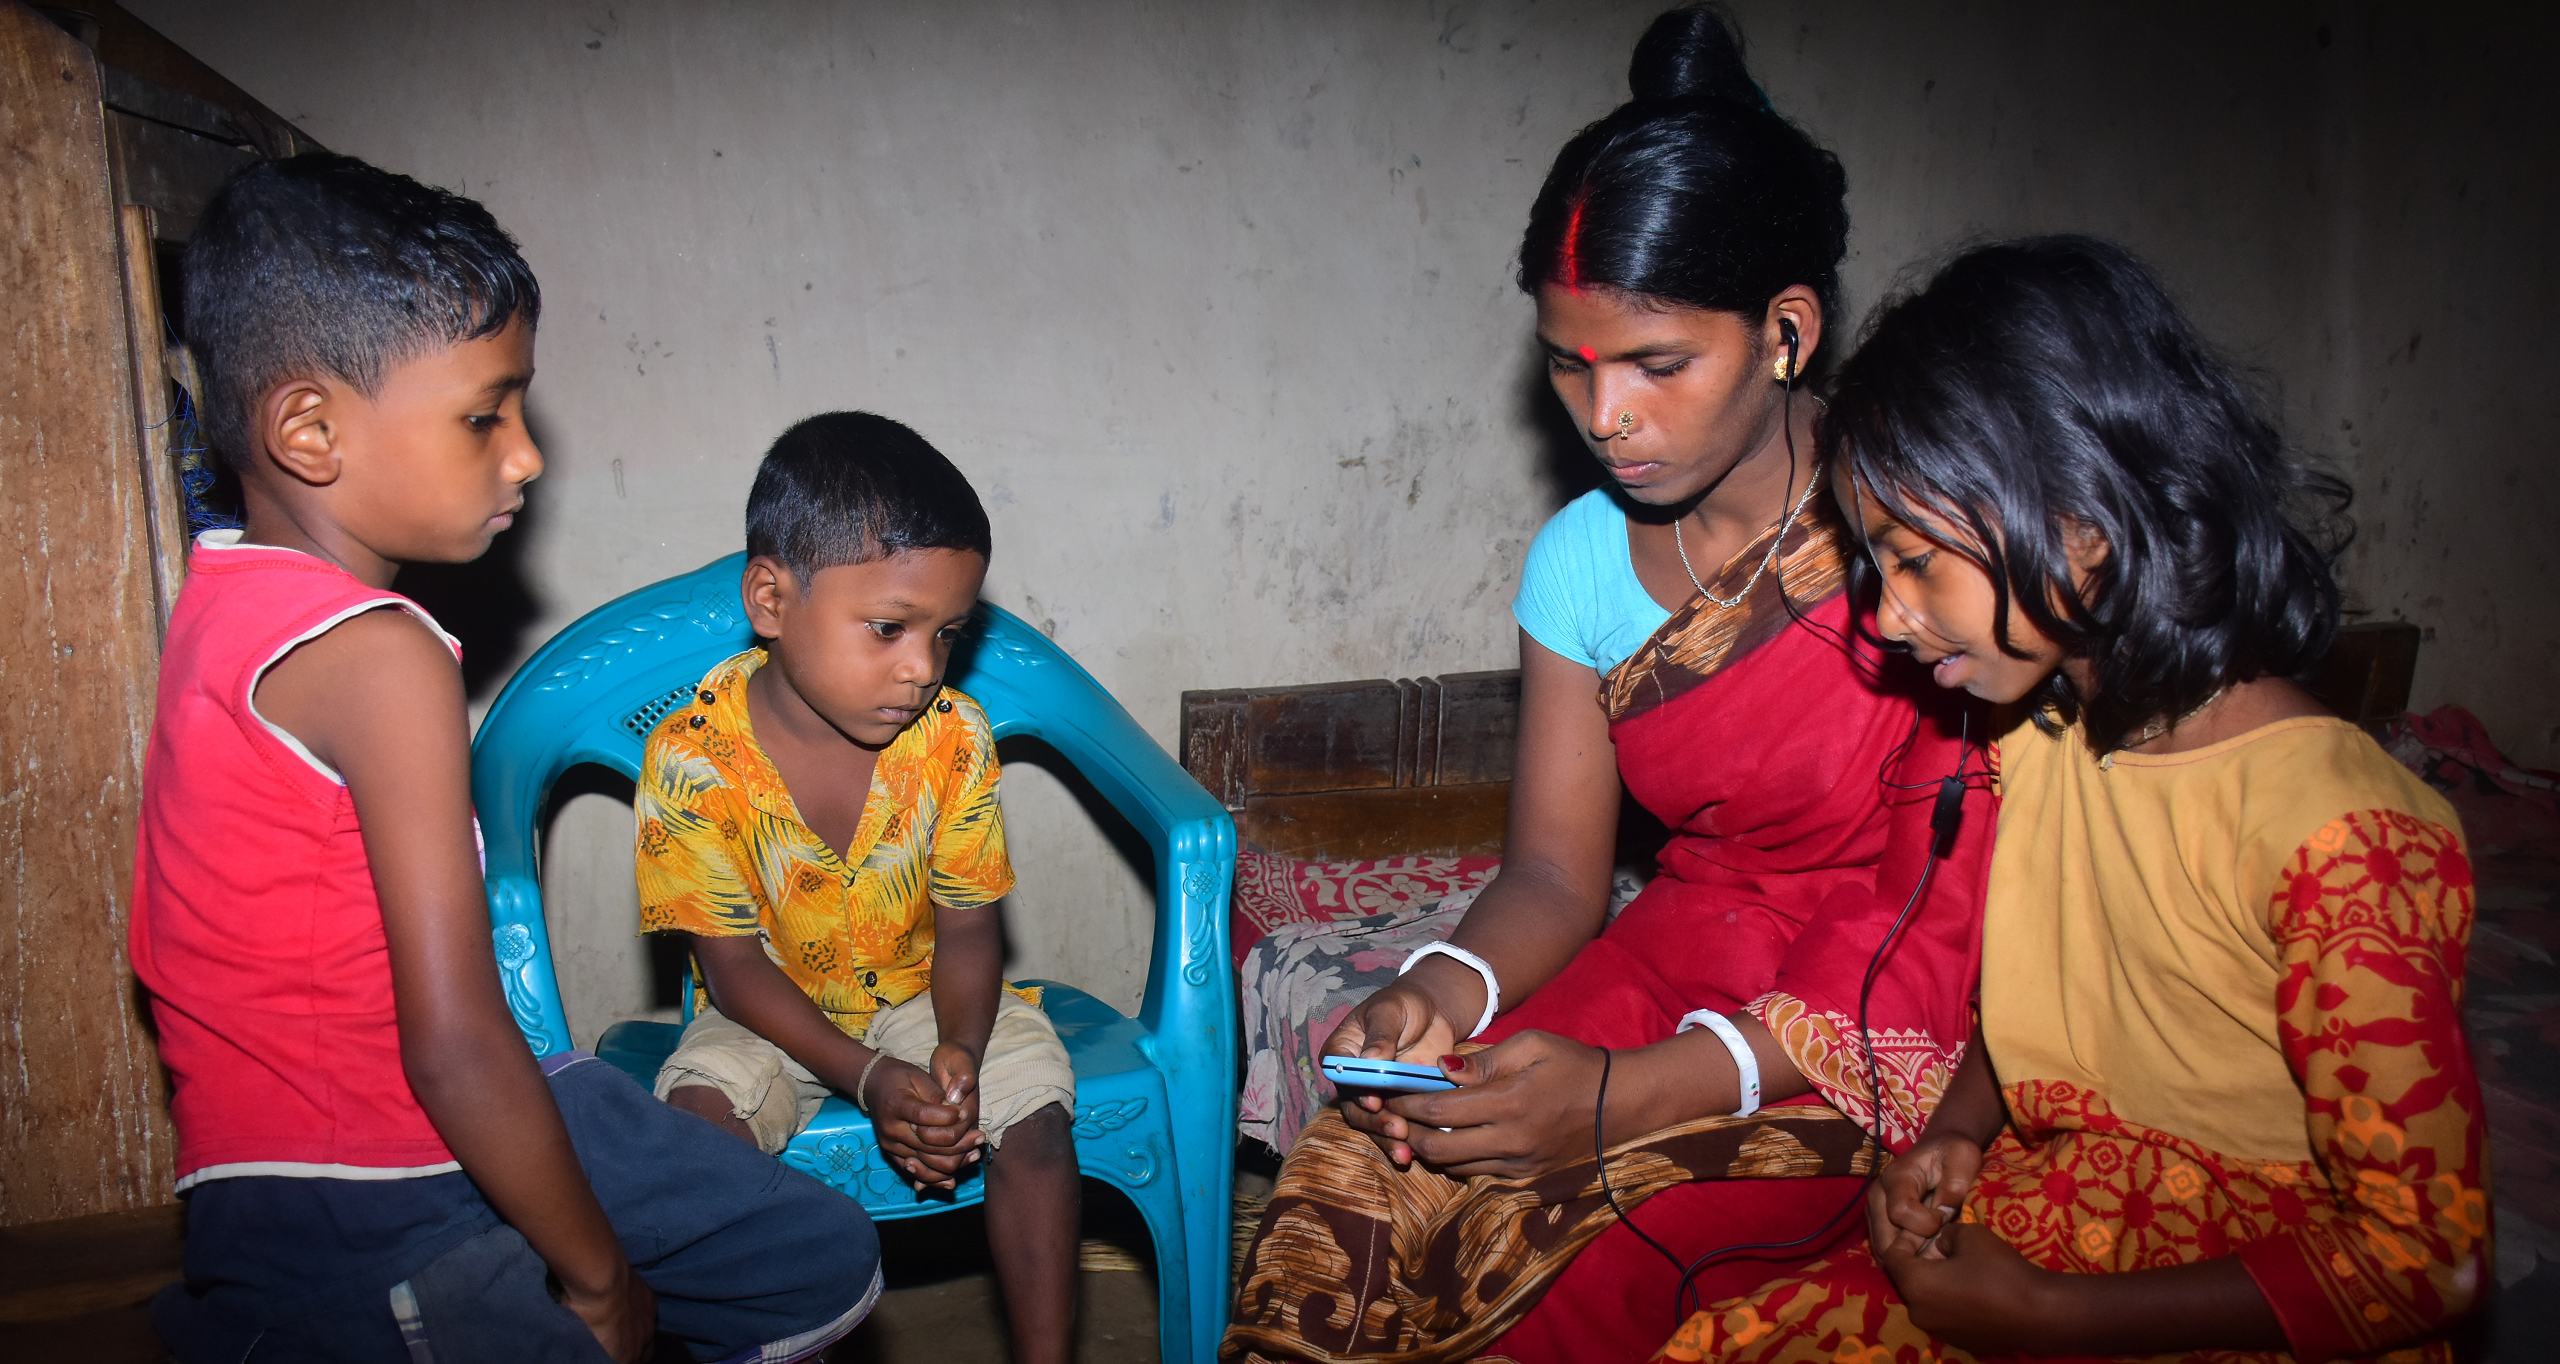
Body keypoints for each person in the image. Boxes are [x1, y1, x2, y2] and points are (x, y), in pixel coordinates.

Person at [1224, 10, 1995, 1362]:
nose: (1605, 417)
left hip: (1887, 1000)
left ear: (1784, 331)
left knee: (1595, 1241)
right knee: (1367, 1166)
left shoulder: (1917, 526)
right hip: (1689, 943)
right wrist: (1441, 991)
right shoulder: (1581, 562)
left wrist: (1626, 1099)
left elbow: (1931, 902)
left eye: (1655, 364)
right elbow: (1556, 880)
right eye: (1568, 365)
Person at [1658, 236, 2486, 1363]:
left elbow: (2428, 1255)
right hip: (2068, 1204)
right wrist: (1954, 1130)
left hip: (2247, 1289)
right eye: (1871, 565)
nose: (1886, 617)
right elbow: (2052, 1000)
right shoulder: (2035, 732)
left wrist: (2054, 1319)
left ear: (2080, 519)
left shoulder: (2340, 838)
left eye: (1912, 560)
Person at [132, 155, 881, 1364]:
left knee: (812, 1250)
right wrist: (594, 1276)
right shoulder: (382, 657)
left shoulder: (220, 594)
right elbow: (452, 1039)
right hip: (368, 1184)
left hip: (319, 1150)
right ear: (310, 429)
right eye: (486, 413)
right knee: (705, 1283)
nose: (526, 454)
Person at [635, 413, 1081, 1364]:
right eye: (888, 628)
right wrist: (871, 1078)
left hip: (927, 992)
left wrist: (958, 1049)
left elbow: (968, 933)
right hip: (764, 1010)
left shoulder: (955, 742)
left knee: (1035, 1120)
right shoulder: (691, 759)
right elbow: (732, 968)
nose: (920, 668)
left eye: (946, 634)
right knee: (698, 1131)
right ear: (770, 597)